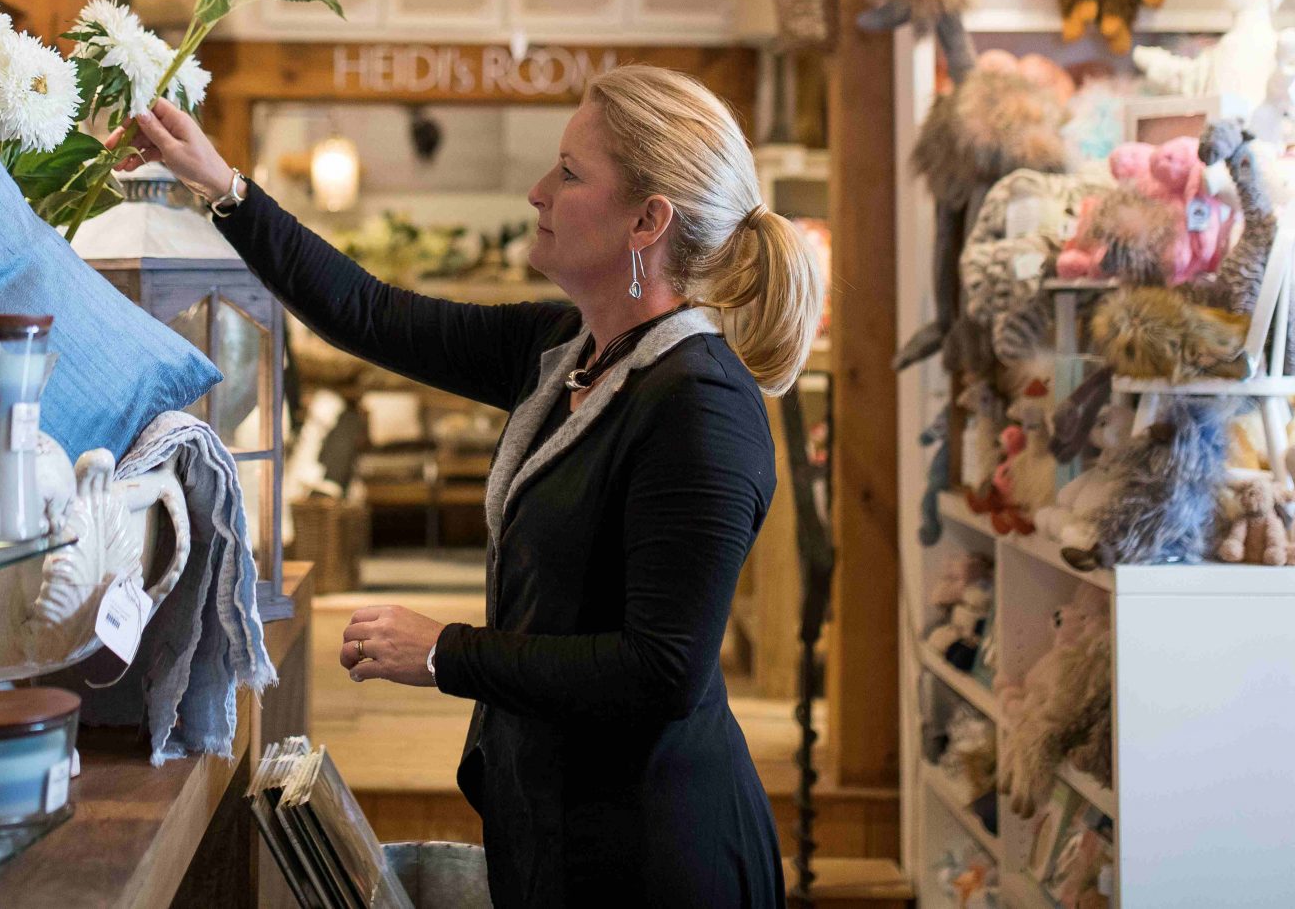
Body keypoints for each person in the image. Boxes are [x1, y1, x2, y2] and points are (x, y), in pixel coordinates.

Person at [123, 65, 824, 909]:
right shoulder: (568, 348)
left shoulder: (700, 406)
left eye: (569, 172)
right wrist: (222, 186)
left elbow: (661, 670)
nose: (538, 192)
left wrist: (443, 650)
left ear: (648, 220)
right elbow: (370, 312)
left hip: (653, 853)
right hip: (555, 828)